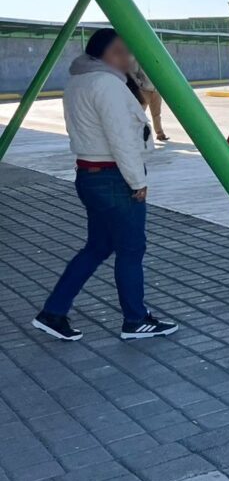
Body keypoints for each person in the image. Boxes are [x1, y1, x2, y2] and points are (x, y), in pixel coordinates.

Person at [32, 29, 178, 341]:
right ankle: (135, 320)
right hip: (114, 177)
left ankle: (53, 312)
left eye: (128, 51)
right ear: (100, 53)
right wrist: (137, 181)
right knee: (131, 249)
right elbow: (121, 138)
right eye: (118, 51)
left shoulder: (79, 80)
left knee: (98, 246)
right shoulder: (107, 83)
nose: (126, 58)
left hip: (90, 174)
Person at [130, 59, 167, 141]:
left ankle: (160, 134)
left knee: (157, 114)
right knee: (139, 113)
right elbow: (132, 73)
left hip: (156, 91)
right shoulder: (140, 60)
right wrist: (140, 84)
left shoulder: (157, 60)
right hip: (144, 91)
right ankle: (133, 133)